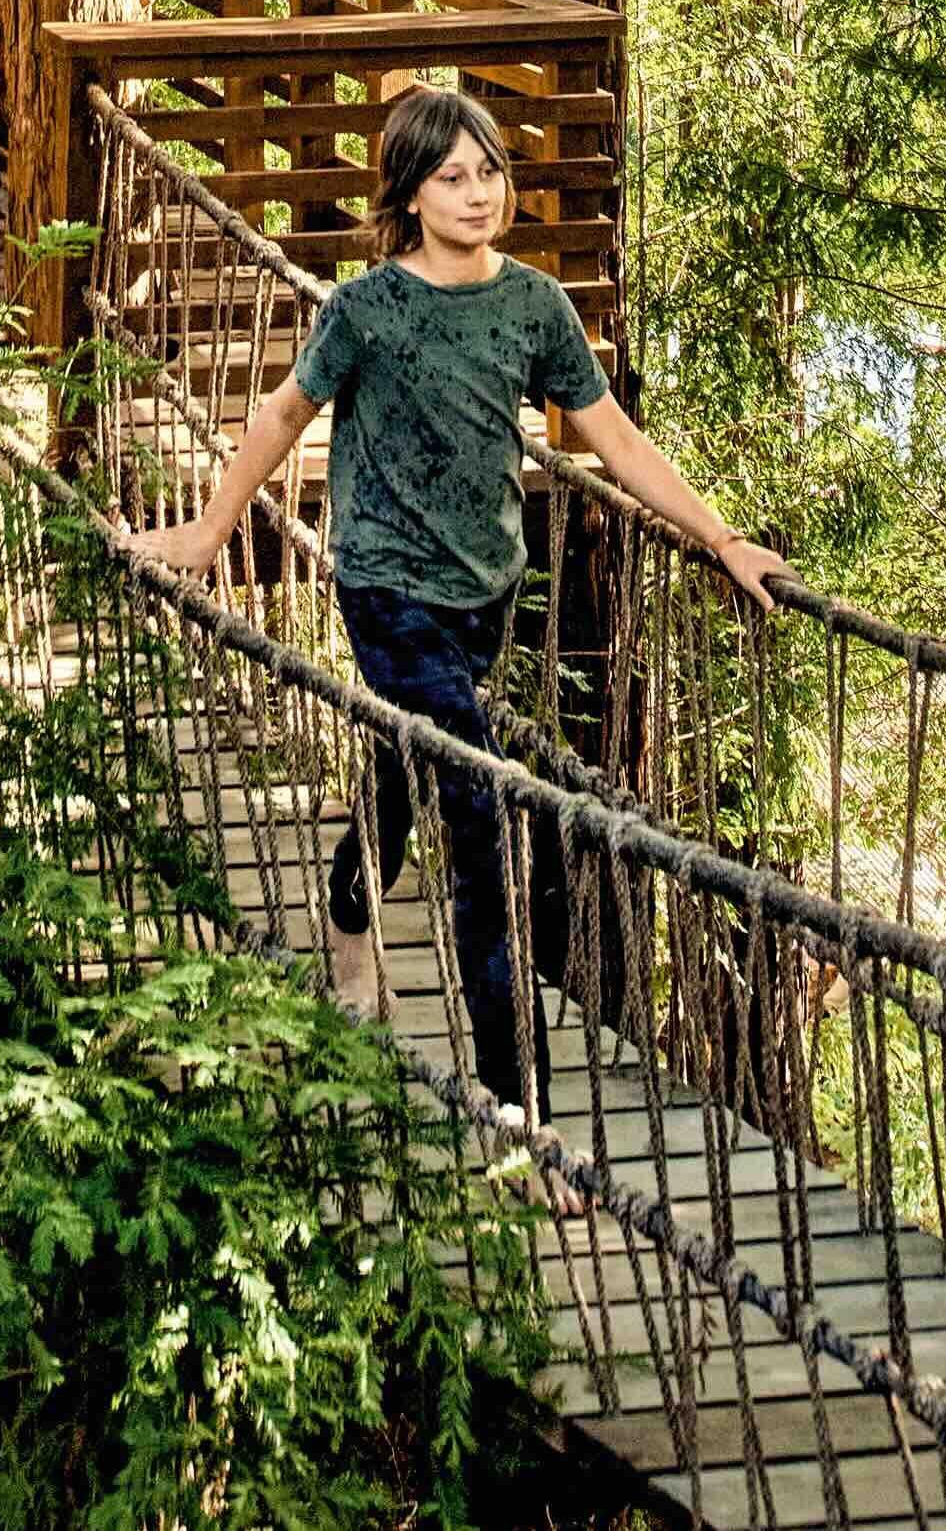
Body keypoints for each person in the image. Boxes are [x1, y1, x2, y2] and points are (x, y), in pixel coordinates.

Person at [141, 81, 782, 1135]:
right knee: (483, 819)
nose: (478, 193)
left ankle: (348, 910)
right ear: (409, 193)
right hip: (383, 589)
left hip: (484, 591)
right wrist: (207, 536)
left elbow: (612, 439)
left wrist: (721, 539)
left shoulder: (533, 306)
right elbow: (281, 416)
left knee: (404, 770)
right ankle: (515, 1108)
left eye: (489, 172)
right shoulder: (365, 311)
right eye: (452, 177)